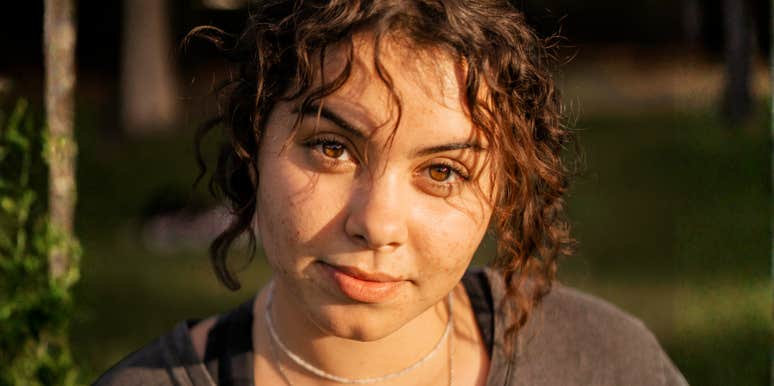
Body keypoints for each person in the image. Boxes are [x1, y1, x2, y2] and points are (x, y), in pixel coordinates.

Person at [95, 1, 688, 385]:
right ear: (255, 137)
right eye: (332, 148)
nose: (377, 223)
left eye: (441, 172)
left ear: (504, 188)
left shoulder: (607, 363)